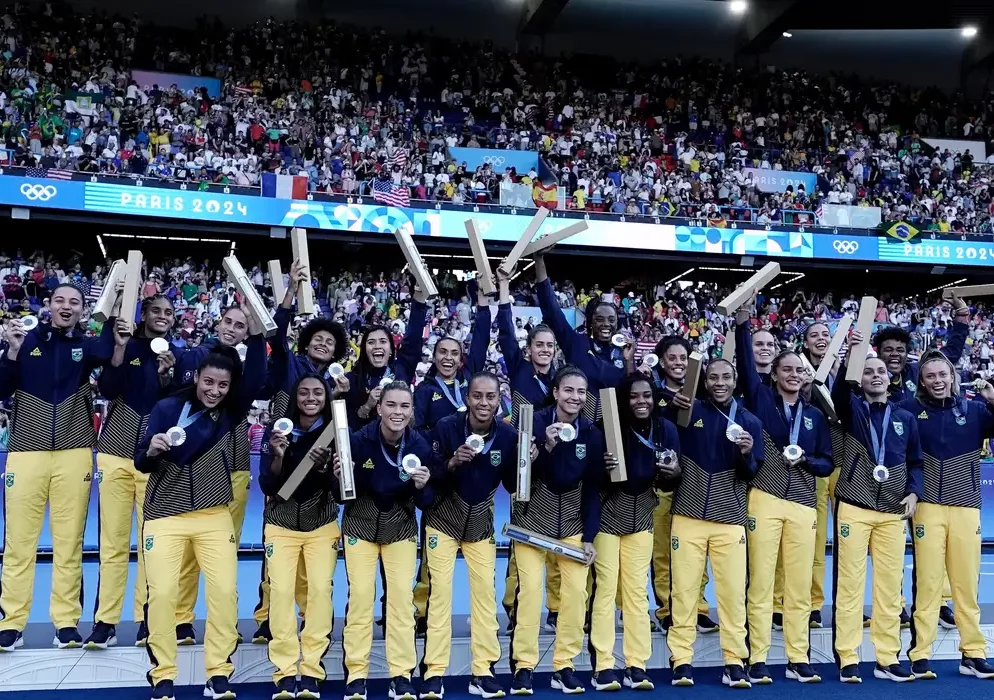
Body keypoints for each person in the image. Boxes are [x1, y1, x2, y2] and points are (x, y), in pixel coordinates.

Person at [136, 343, 265, 700]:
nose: (214, 391)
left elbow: (255, 376)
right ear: (197, 379)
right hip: (165, 514)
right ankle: (163, 674)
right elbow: (140, 462)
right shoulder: (166, 408)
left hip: (213, 515)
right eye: (209, 383)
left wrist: (260, 327)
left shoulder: (229, 413)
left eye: (222, 386)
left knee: (224, 593)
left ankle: (219, 673)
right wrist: (152, 449)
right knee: (162, 594)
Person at [0, 283, 116, 652]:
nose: (67, 307)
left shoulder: (87, 347)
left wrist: (115, 308)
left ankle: (65, 623)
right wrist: (12, 353)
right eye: (60, 300)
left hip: (74, 452)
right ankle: (11, 623)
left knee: (69, 544)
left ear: (84, 309)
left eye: (75, 302)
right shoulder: (24, 341)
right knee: (19, 544)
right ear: (48, 304)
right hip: (26, 451)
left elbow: (112, 356)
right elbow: (2, 389)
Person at [252, 260, 349, 644]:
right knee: (275, 549)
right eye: (317, 339)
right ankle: (266, 616)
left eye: (330, 341)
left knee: (316, 548)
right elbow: (276, 334)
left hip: (319, 467)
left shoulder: (337, 382)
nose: (323, 344)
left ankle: (312, 619)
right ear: (306, 342)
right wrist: (291, 291)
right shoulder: (288, 366)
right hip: (283, 457)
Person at [735, 311, 833, 684]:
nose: (794, 375)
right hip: (765, 497)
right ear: (774, 375)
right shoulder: (761, 402)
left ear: (806, 376)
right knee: (760, 582)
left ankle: (797, 655)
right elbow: (746, 365)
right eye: (786, 369)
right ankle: (757, 657)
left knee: (798, 583)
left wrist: (806, 459)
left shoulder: (815, 417)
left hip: (804, 504)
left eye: (799, 371)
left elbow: (826, 463)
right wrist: (743, 324)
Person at [87, 294, 183, 649]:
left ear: (174, 319)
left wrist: (166, 376)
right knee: (112, 543)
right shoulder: (124, 341)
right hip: (113, 454)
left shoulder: (175, 353)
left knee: (151, 545)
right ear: (143, 314)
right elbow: (109, 389)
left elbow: (175, 401)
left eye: (169, 312)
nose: (162, 316)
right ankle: (105, 621)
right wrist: (119, 349)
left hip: (153, 460)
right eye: (156, 310)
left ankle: (147, 619)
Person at [508, 366, 611, 696]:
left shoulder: (592, 435)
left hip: (570, 526)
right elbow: (516, 480)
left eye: (581, 392)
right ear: (555, 392)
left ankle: (563, 665)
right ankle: (524, 666)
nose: (575, 398)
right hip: (532, 523)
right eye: (568, 390)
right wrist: (546, 448)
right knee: (531, 595)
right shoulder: (534, 423)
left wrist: (590, 537)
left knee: (575, 596)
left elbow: (593, 488)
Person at [419, 372, 520, 700]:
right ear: (467, 398)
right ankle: (434, 671)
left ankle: (484, 670)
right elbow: (426, 473)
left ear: (499, 398)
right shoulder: (446, 427)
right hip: (443, 521)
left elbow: (513, 486)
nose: (484, 403)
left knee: (485, 597)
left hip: (479, 524)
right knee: (440, 597)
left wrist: (525, 464)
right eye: (478, 396)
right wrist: (451, 463)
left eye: (491, 397)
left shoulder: (507, 435)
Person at [664, 358, 762, 689]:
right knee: (684, 592)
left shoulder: (750, 421)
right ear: (705, 382)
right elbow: (664, 435)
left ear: (735, 381)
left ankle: (734, 661)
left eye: (726, 377)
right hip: (688, 515)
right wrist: (668, 404)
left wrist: (748, 454)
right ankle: (681, 660)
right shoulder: (689, 412)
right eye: (713, 377)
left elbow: (753, 473)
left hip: (730, 520)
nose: (719, 382)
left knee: (733, 594)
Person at [172, 304, 262, 645]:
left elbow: (256, 379)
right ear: (218, 322)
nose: (232, 328)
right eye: (229, 321)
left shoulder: (245, 371)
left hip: (235, 471)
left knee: (225, 554)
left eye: (241, 325)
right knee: (187, 552)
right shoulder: (191, 357)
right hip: (192, 467)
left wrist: (258, 335)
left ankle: (224, 624)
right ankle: (181, 620)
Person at [337, 381, 433, 700]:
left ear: (411, 412)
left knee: (402, 602)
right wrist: (339, 476)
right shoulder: (358, 440)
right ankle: (356, 674)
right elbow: (341, 494)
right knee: (362, 598)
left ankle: (401, 674)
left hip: (400, 530)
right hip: (360, 527)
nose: (398, 412)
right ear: (379, 408)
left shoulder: (419, 445)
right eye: (391, 405)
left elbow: (426, 502)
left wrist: (423, 486)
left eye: (404, 406)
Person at [830, 353, 922, 683]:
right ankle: (849, 657)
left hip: (893, 510)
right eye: (868, 372)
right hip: (855, 506)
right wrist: (849, 362)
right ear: (862, 379)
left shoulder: (905, 417)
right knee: (851, 586)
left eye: (881, 371)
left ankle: (886, 658)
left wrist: (913, 493)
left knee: (889, 589)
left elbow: (916, 462)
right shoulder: (852, 410)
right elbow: (840, 393)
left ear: (890, 377)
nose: (876, 376)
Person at [903, 353, 994, 680]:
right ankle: (920, 655)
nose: (938, 380)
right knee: (927, 585)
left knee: (966, 586)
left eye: (943, 374)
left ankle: (973, 653)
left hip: (966, 507)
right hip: (926, 507)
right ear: (922, 381)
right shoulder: (911, 411)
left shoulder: (975, 410)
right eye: (931, 376)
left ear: (953, 376)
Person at [588, 374, 679, 692]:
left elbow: (671, 480)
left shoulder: (665, 428)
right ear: (624, 400)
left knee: (637, 594)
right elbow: (592, 476)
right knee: (606, 591)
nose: (642, 402)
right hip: (608, 517)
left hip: (642, 516)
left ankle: (636, 664)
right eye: (634, 397)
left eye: (647, 396)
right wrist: (603, 468)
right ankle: (602, 666)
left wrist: (674, 472)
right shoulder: (606, 428)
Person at [410, 286, 490, 632]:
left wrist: (484, 306)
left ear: (461, 359)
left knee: (477, 555)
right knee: (432, 552)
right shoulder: (425, 391)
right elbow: (420, 436)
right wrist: (447, 444)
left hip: (473, 479)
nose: (447, 357)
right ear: (434, 356)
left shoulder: (470, 387)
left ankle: (482, 615)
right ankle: (422, 611)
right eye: (441, 351)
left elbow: (483, 342)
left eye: (453, 353)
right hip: (442, 476)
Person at [259, 374, 341, 700]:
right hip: (281, 524)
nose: (310, 397)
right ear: (296, 397)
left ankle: (311, 669)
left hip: (321, 524)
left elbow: (340, 489)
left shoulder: (336, 433)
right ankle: (284, 671)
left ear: (326, 397)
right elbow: (269, 485)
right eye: (304, 392)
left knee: (320, 591)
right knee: (280, 593)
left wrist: (326, 473)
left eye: (317, 393)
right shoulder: (280, 429)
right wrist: (278, 454)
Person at [495, 269, 561, 632]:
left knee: (555, 536)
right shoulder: (520, 372)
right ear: (529, 349)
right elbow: (506, 331)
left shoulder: (562, 380)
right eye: (540, 345)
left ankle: (554, 607)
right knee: (522, 537)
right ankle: (515, 606)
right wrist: (505, 289)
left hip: (555, 464)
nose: (545, 350)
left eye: (550, 346)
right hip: (524, 465)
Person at [641, 336, 715, 634]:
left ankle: (698, 607)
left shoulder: (703, 394)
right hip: (662, 482)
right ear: (661, 361)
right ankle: (667, 609)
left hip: (695, 484)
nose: (678, 363)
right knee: (662, 550)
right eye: (672, 358)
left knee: (698, 549)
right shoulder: (651, 396)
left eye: (683, 357)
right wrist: (664, 402)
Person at [533, 253, 633, 422]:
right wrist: (539, 259)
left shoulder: (623, 352)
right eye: (599, 320)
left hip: (614, 429)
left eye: (611, 320)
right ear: (590, 322)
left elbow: (631, 391)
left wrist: (629, 362)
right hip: (576, 427)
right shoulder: (577, 343)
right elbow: (551, 310)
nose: (606, 324)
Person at [345, 291, 428, 428]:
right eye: (371, 342)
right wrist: (367, 405)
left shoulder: (401, 368)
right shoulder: (352, 378)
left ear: (391, 350)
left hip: (400, 444)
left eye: (383, 341)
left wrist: (419, 295)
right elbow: (347, 424)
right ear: (364, 350)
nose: (377, 346)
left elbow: (413, 338)